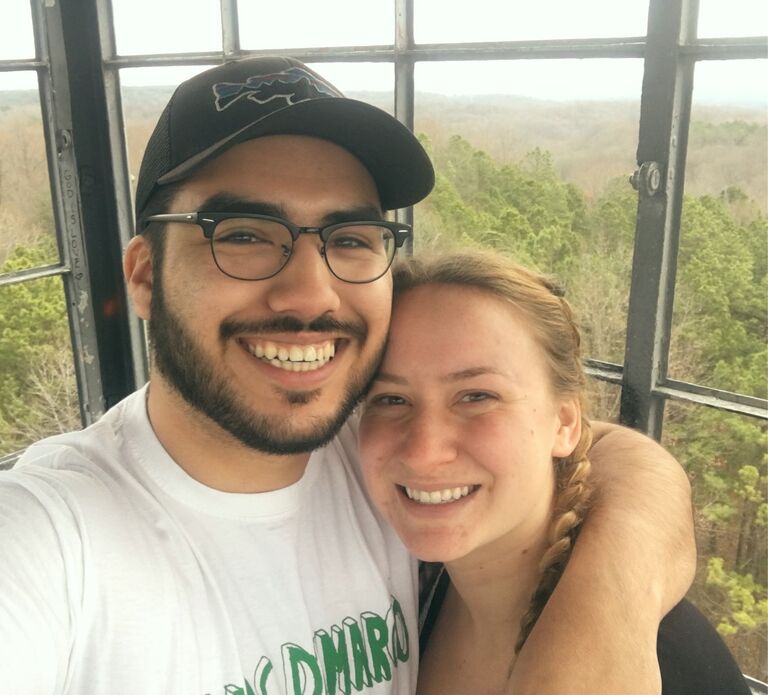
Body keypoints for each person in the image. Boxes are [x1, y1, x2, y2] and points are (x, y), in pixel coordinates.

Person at [0, 56, 693, 695]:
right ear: (146, 276)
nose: (310, 294)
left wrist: (599, 621)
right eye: (242, 233)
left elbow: (604, 451)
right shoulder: (49, 535)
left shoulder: (379, 456)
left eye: (350, 239)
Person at [359, 250, 750, 695]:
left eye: (477, 396)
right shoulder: (417, 590)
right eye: (390, 399)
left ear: (564, 423)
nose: (424, 452)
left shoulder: (660, 664)